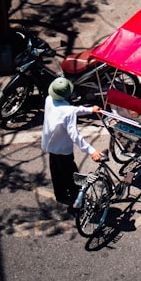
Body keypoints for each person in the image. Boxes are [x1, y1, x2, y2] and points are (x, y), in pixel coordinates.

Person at [40, 77, 102, 211]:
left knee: (56, 172)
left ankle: (61, 195)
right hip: (63, 148)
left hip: (51, 145)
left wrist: (90, 110)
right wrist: (92, 151)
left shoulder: (49, 100)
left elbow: (72, 109)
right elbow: (75, 135)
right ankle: (77, 199)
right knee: (71, 175)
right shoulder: (68, 112)